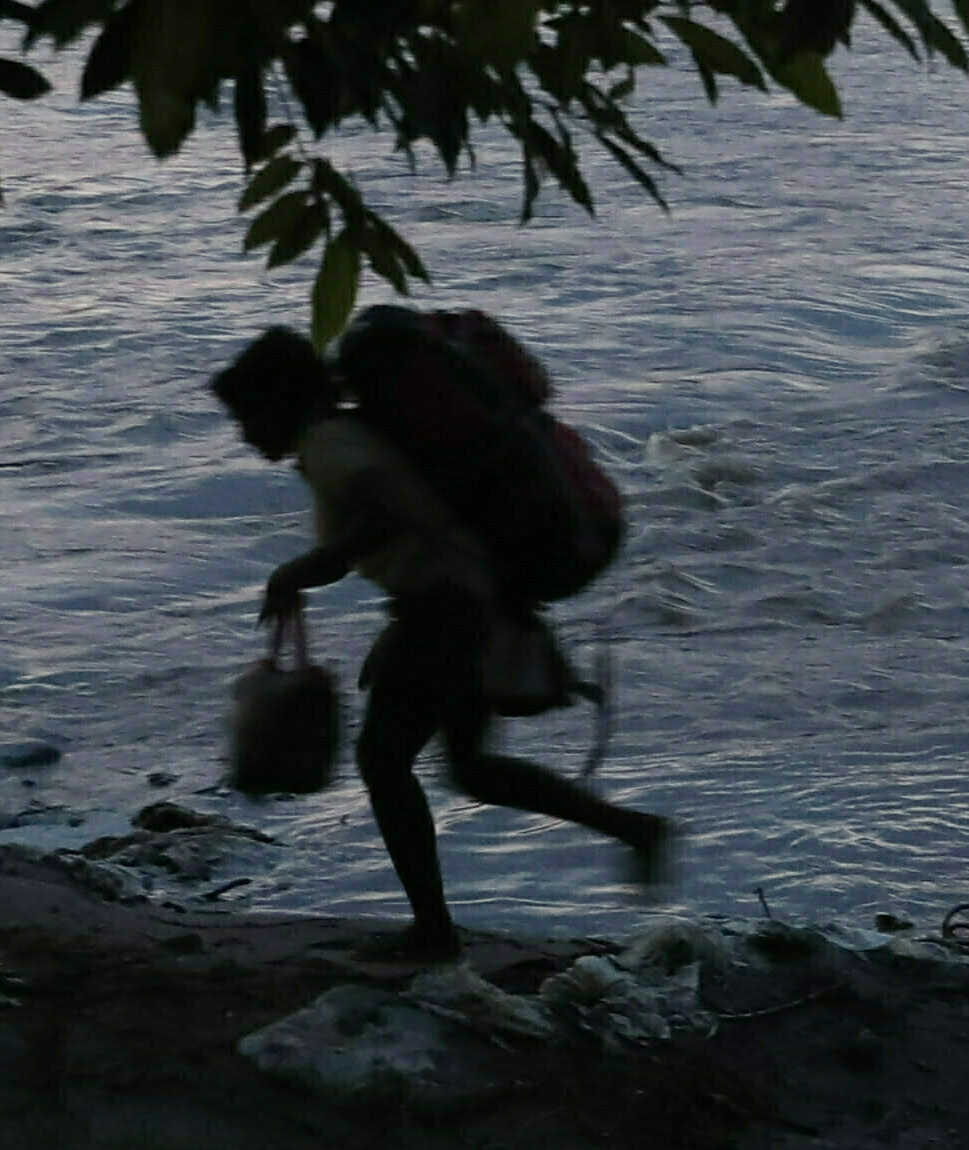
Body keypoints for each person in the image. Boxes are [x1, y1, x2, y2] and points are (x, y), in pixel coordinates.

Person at [219, 326, 666, 961]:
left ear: (278, 403)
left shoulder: (328, 444)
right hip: (472, 598)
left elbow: (388, 515)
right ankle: (632, 829)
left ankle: (433, 933)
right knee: (471, 767)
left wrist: (302, 570)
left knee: (383, 761)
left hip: (444, 608)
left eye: (246, 418)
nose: (244, 435)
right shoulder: (347, 433)